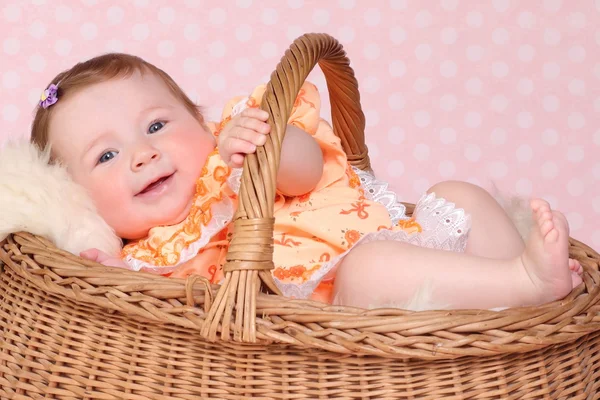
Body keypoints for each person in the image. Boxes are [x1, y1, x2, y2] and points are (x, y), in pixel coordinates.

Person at [30, 53, 582, 311]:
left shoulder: (233, 152)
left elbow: (308, 170)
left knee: (457, 194)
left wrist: (263, 146)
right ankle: (524, 283)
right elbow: (137, 307)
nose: (143, 154)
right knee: (367, 270)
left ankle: (520, 309)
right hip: (356, 300)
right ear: (78, 193)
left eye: (155, 125)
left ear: (201, 123)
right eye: (106, 155)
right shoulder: (148, 254)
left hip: (401, 245)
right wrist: (104, 267)